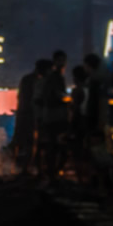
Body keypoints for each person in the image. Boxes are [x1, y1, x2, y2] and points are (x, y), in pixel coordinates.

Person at [39, 50, 69, 180]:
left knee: (55, 144)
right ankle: (52, 172)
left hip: (54, 114)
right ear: (55, 61)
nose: (62, 63)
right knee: (55, 144)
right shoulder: (54, 77)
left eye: (63, 60)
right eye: (60, 60)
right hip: (54, 115)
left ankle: (52, 172)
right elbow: (56, 94)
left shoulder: (55, 77)